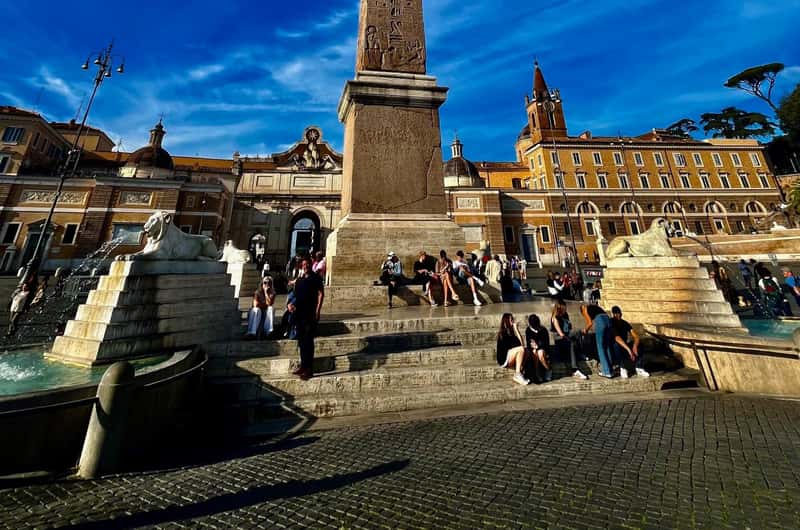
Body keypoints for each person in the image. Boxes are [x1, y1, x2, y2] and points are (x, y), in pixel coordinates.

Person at [289, 257, 324, 380]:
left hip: (310, 313)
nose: (305, 266)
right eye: (303, 264)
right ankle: (303, 366)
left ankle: (309, 369)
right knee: (301, 341)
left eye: (307, 264)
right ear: (301, 266)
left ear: (310, 265)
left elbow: (321, 294)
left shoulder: (316, 278)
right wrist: (291, 304)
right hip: (299, 314)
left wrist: (318, 310)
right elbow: (295, 296)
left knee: (308, 341)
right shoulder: (300, 279)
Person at [550, 300, 588, 380]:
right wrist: (569, 338)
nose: (565, 310)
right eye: (564, 309)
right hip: (559, 339)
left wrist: (569, 327)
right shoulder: (555, 318)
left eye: (565, 308)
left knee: (576, 337)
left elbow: (569, 329)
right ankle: (575, 368)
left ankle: (578, 359)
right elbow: (561, 334)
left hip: (567, 336)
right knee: (576, 335)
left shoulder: (565, 315)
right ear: (559, 309)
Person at [611, 306, 649, 378]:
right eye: (616, 313)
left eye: (619, 313)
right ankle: (622, 367)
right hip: (615, 347)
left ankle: (639, 367)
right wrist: (629, 350)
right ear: (613, 314)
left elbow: (636, 336)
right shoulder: (611, 322)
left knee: (640, 344)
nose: (618, 315)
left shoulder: (624, 323)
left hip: (625, 346)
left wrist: (635, 346)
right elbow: (617, 338)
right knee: (616, 345)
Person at [580, 303, 614, 378]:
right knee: (607, 346)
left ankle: (606, 371)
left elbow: (590, 323)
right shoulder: (595, 307)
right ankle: (611, 370)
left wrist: (585, 330)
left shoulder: (585, 309)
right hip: (608, 320)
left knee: (600, 347)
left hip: (600, 320)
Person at [496, 313, 530, 385]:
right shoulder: (504, 333)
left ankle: (519, 372)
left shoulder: (511, 333)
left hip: (510, 356)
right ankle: (518, 374)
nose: (513, 322)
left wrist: (516, 330)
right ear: (506, 321)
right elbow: (520, 347)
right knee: (521, 349)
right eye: (511, 320)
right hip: (504, 359)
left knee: (526, 351)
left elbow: (522, 345)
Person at [526, 314, 551, 382]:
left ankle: (548, 369)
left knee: (540, 353)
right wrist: (533, 346)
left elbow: (546, 343)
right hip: (533, 349)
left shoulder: (543, 330)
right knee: (534, 352)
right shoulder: (528, 330)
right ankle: (537, 374)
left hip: (543, 348)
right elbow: (528, 343)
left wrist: (537, 346)